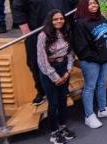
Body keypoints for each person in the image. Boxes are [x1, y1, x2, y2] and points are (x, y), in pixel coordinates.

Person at [12, 0, 78, 105]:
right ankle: (41, 91)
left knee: (63, 61)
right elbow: (17, 7)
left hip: (63, 35)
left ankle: (63, 88)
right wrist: (25, 30)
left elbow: (75, 5)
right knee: (36, 64)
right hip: (37, 35)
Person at [72, 0, 107, 128]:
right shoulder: (80, 23)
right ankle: (89, 115)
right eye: (90, 3)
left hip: (105, 58)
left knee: (102, 84)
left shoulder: (102, 18)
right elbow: (81, 47)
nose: (94, 5)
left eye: (95, 3)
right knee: (89, 87)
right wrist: (96, 57)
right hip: (91, 61)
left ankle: (102, 109)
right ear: (83, 6)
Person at [36, 10, 76, 143]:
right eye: (55, 19)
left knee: (63, 100)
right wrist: (55, 77)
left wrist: (68, 71)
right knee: (53, 103)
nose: (59, 21)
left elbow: (70, 53)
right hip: (49, 70)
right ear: (50, 20)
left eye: (61, 19)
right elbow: (42, 60)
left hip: (64, 67)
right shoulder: (43, 35)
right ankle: (54, 132)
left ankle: (63, 127)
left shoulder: (66, 31)